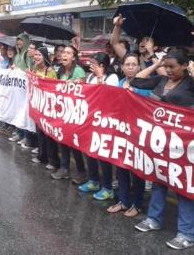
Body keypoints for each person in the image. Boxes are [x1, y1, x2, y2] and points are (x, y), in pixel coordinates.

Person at [131, 48, 194, 250]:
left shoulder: (190, 84)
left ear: (185, 66)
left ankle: (187, 233)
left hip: (184, 145)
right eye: (166, 66)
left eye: (172, 67)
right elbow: (136, 81)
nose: (168, 70)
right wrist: (156, 64)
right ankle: (153, 219)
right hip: (161, 142)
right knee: (159, 179)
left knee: (184, 185)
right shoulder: (160, 80)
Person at [107, 53, 150, 217]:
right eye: (128, 64)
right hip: (121, 131)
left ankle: (137, 204)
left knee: (137, 171)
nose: (131, 67)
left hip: (138, 134)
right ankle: (123, 201)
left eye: (134, 64)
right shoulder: (119, 84)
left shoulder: (145, 85)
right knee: (122, 168)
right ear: (122, 67)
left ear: (139, 67)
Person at [78, 52, 119, 200]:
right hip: (91, 119)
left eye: (93, 63)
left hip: (106, 122)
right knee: (90, 151)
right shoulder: (90, 77)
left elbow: (108, 95)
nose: (90, 66)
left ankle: (107, 187)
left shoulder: (112, 78)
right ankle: (93, 180)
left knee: (103, 155)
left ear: (102, 65)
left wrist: (101, 77)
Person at [51, 45, 87, 184]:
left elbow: (83, 92)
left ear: (73, 57)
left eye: (68, 53)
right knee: (63, 141)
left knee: (73, 144)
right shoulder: (61, 71)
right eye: (63, 52)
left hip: (74, 113)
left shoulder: (78, 71)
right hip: (63, 112)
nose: (64, 55)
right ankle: (64, 169)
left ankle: (81, 172)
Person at [30, 47, 59, 169]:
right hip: (38, 105)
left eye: (39, 55)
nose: (36, 57)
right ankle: (42, 156)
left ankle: (53, 160)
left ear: (44, 57)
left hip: (48, 107)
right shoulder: (34, 69)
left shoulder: (51, 71)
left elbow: (55, 87)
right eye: (35, 55)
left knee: (48, 134)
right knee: (40, 132)